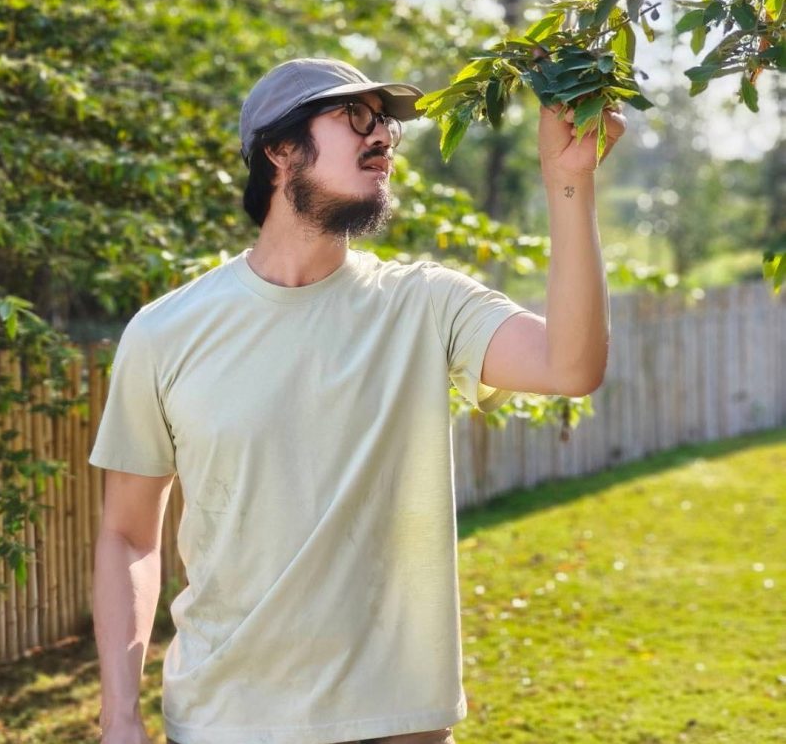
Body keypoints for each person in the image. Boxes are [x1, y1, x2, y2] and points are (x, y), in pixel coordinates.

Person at [90, 57, 626, 744]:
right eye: (355, 118)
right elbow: (128, 535)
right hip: (227, 720)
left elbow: (572, 364)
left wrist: (569, 180)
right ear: (280, 150)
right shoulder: (166, 332)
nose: (383, 138)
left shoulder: (425, 303)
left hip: (400, 722)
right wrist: (120, 714)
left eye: (386, 124)